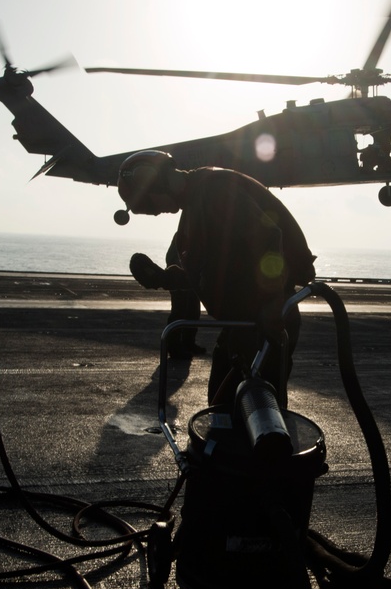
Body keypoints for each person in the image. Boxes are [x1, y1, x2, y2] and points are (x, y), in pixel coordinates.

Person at [119, 150, 316, 405]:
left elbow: (268, 237)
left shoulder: (215, 191)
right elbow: (219, 268)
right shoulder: (196, 204)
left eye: (149, 204)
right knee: (223, 410)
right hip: (243, 322)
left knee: (256, 416)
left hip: (263, 321)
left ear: (155, 180)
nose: (155, 213)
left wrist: (274, 301)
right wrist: (167, 280)